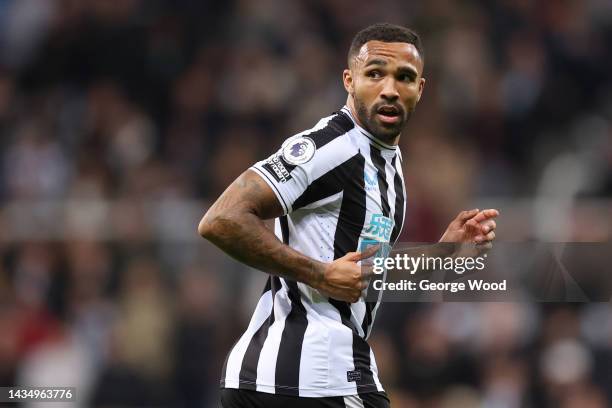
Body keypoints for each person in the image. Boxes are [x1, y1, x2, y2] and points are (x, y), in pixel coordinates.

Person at [199, 22, 499, 408]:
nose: (390, 90)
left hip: (301, 378)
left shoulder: (388, 167)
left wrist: (443, 251)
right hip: (309, 377)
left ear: (419, 89)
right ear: (349, 80)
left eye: (404, 77)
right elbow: (221, 220)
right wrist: (319, 273)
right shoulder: (330, 147)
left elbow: (365, 270)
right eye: (375, 74)